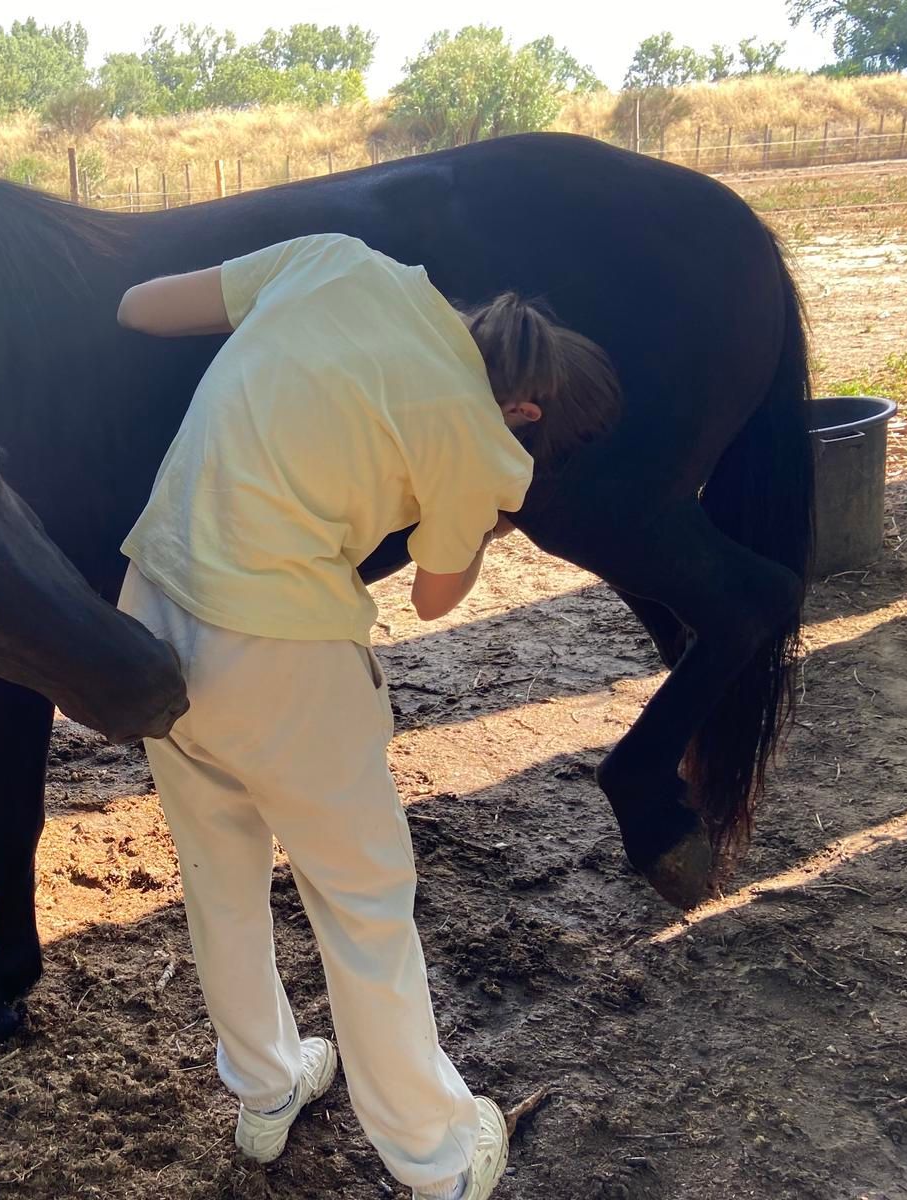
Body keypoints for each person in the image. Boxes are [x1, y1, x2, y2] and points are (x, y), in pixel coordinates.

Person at [114, 233, 622, 1200]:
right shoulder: (478, 434)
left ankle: (266, 1088)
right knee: (364, 904)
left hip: (151, 609)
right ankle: (439, 1158)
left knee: (218, 872)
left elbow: (139, 306)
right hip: (283, 650)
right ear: (524, 411)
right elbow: (434, 595)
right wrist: (489, 508)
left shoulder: (333, 260)